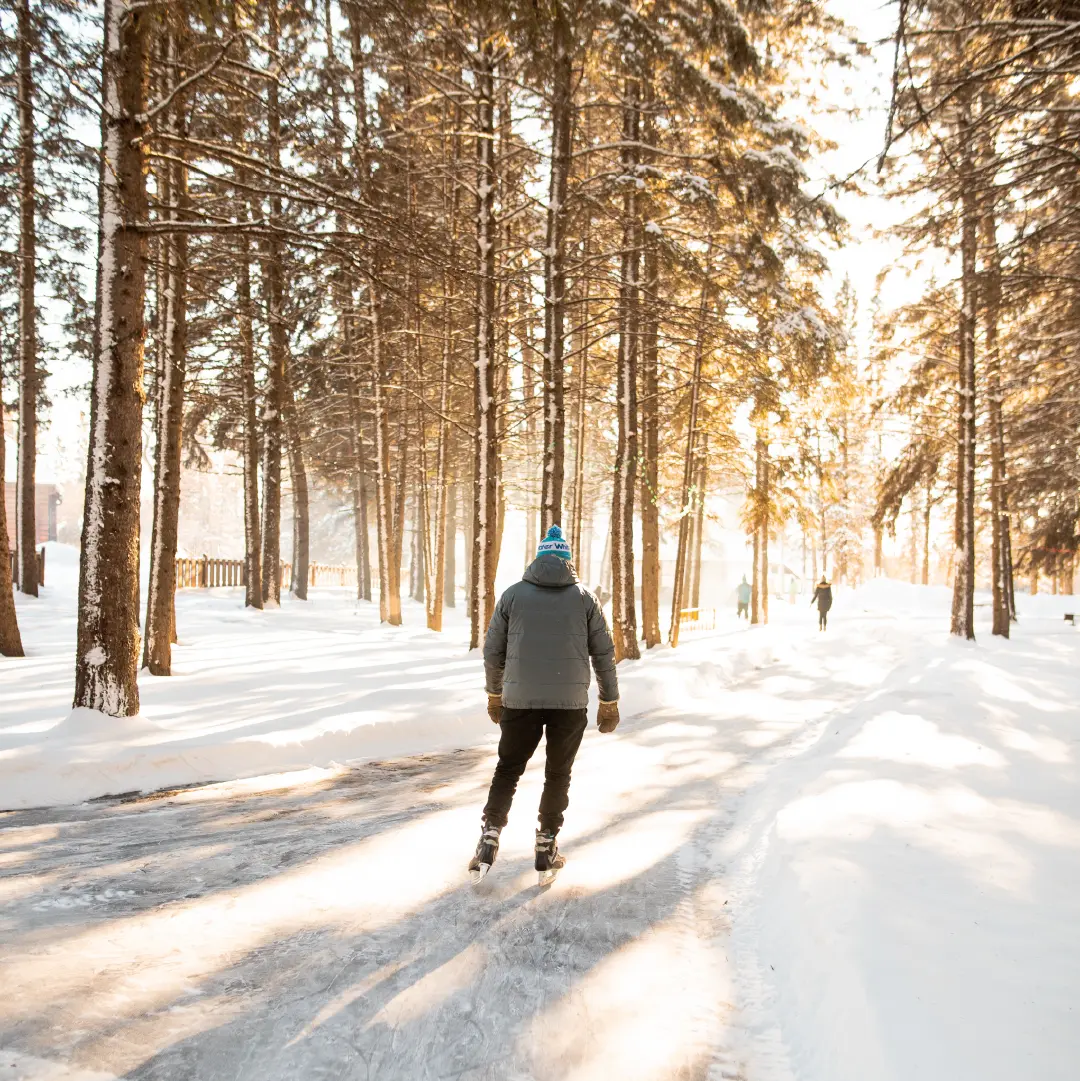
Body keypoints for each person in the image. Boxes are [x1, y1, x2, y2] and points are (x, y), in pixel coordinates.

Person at [470, 524, 620, 885]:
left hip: (519, 701)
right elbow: (604, 652)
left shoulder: (513, 595)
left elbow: (493, 651)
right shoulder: (585, 598)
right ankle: (546, 844)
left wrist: (494, 694)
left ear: (538, 559)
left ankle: (490, 835)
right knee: (558, 773)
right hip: (568, 705)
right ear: (568, 561)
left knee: (507, 770)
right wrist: (609, 699)